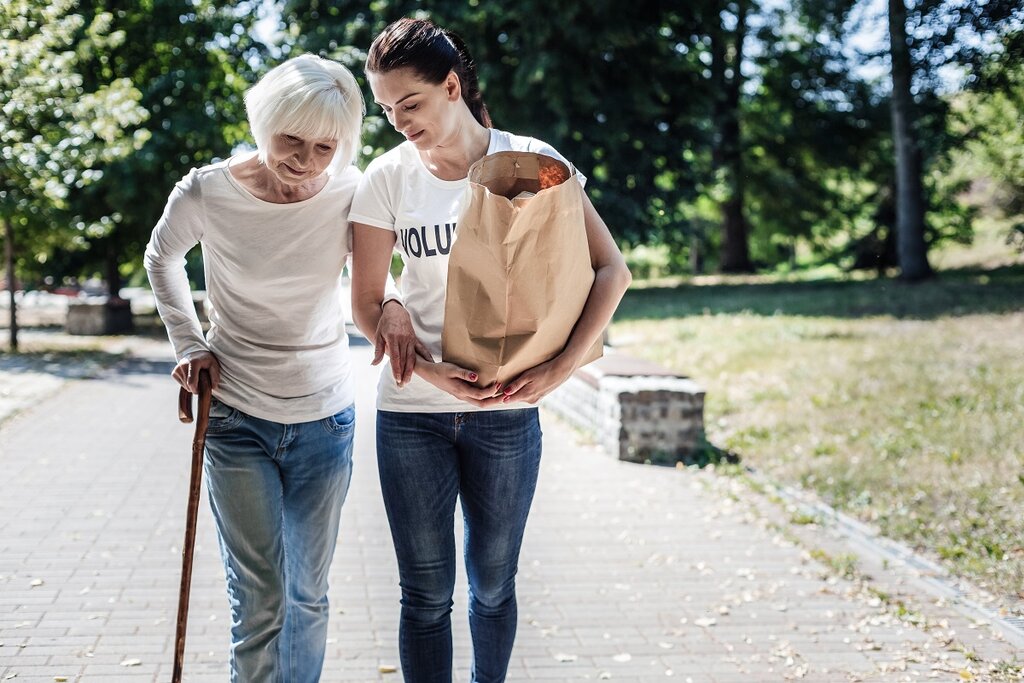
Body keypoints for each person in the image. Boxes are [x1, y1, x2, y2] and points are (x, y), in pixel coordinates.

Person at [349, 18, 633, 683]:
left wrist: (559, 372)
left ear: (452, 85)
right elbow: (364, 301)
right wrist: (430, 369)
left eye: (409, 104)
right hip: (411, 414)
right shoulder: (386, 179)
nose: (397, 122)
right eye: (386, 109)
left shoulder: (528, 161)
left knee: (493, 585)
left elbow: (611, 269)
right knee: (424, 595)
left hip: (507, 414)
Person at [144, 54, 416, 682]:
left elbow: (376, 276)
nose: (306, 159)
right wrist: (188, 343)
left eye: (326, 146)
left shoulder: (351, 191)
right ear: (263, 120)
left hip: (325, 419)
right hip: (236, 417)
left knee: (307, 595)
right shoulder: (208, 191)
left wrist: (395, 304)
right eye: (291, 139)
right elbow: (163, 258)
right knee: (261, 600)